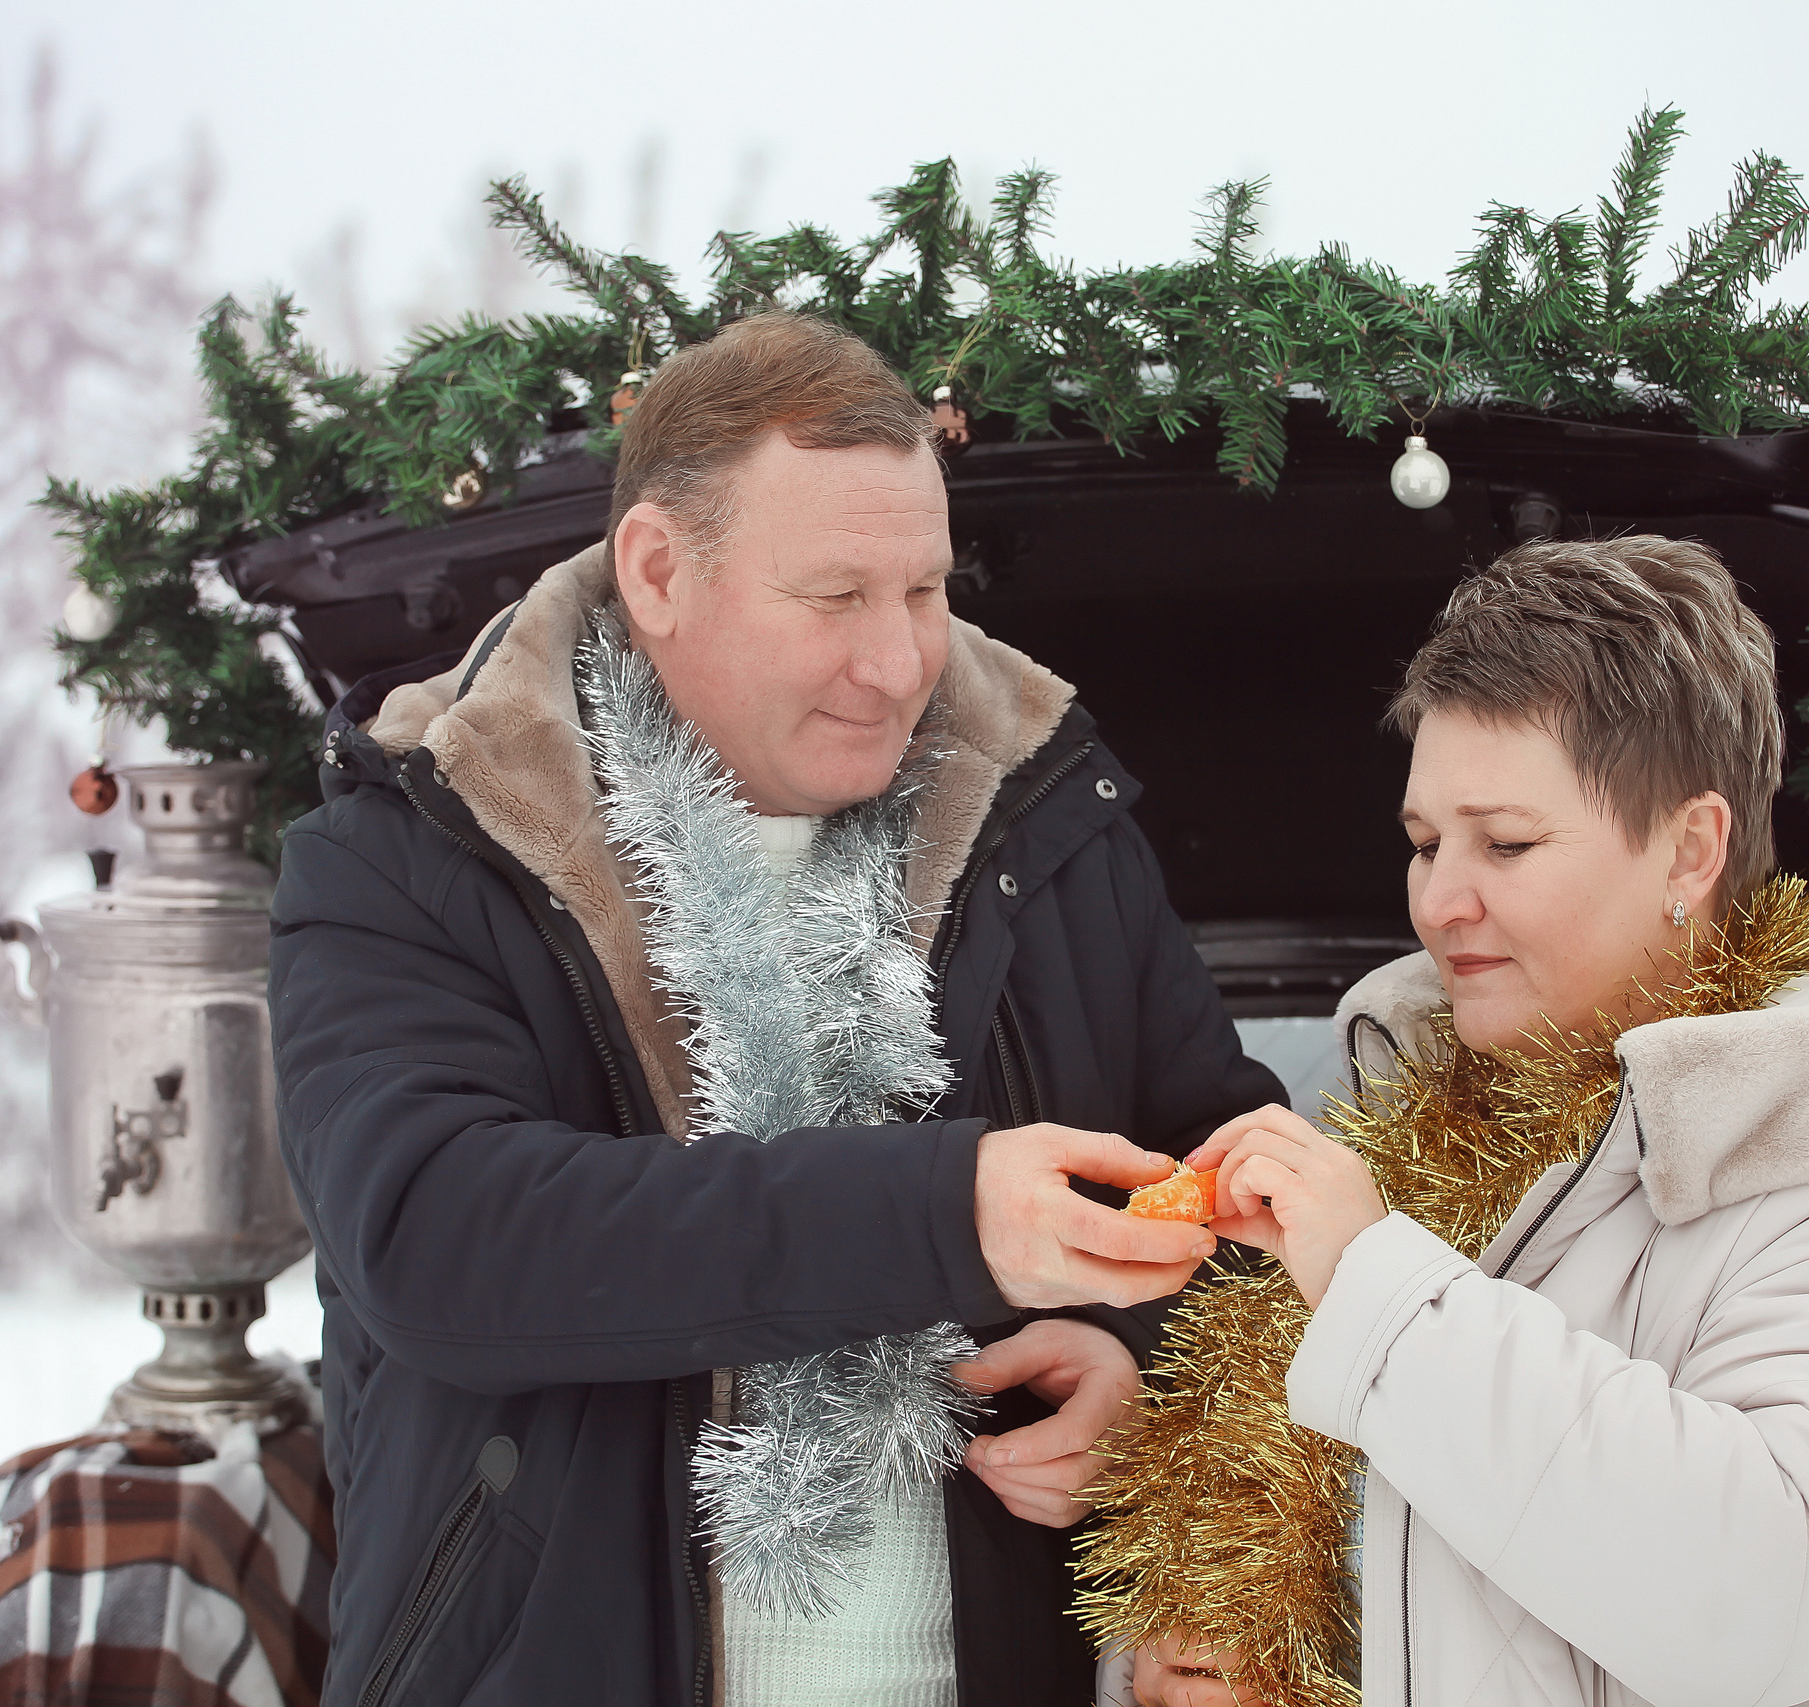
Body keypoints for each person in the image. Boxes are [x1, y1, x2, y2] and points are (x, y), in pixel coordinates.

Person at [268, 310, 1284, 1707]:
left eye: (924, 589)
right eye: (836, 596)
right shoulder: (410, 853)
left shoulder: (1051, 822)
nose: (900, 660)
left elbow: (1239, 1198)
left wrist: (1142, 1383)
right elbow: (437, 1231)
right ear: (660, 570)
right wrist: (944, 1212)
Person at [1126, 537, 1809, 1706]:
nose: (1438, 901)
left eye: (1507, 844)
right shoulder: (1428, 1130)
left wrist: (1381, 1293)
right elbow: (1451, 1575)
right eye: (1425, 843)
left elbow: (1766, 1596)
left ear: (1689, 848)